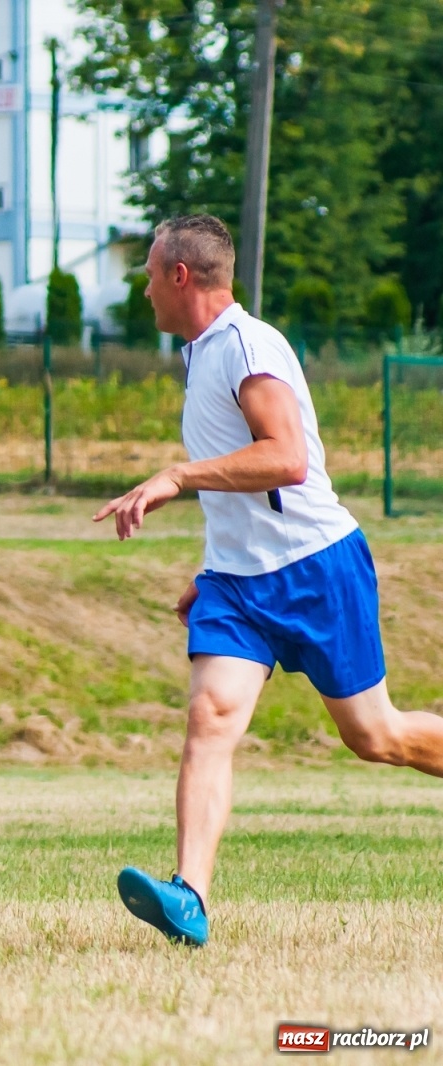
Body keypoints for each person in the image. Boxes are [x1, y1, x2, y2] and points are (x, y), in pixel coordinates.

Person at [96, 214, 443, 946]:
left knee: (376, 736)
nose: (146, 288)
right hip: (238, 585)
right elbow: (242, 482)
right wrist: (212, 568)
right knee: (209, 718)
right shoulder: (201, 356)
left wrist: (176, 475)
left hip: (317, 567)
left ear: (180, 276)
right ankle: (189, 897)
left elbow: (285, 460)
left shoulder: (251, 345)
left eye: (151, 273)